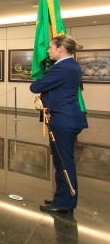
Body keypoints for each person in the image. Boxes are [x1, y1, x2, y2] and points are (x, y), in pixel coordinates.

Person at [30, 35, 88, 214]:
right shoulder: (69, 66)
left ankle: (65, 202)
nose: (48, 50)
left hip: (63, 119)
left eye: (51, 47)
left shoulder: (63, 68)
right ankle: (61, 197)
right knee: (60, 160)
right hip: (65, 118)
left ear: (61, 48)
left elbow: (35, 86)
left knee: (63, 162)